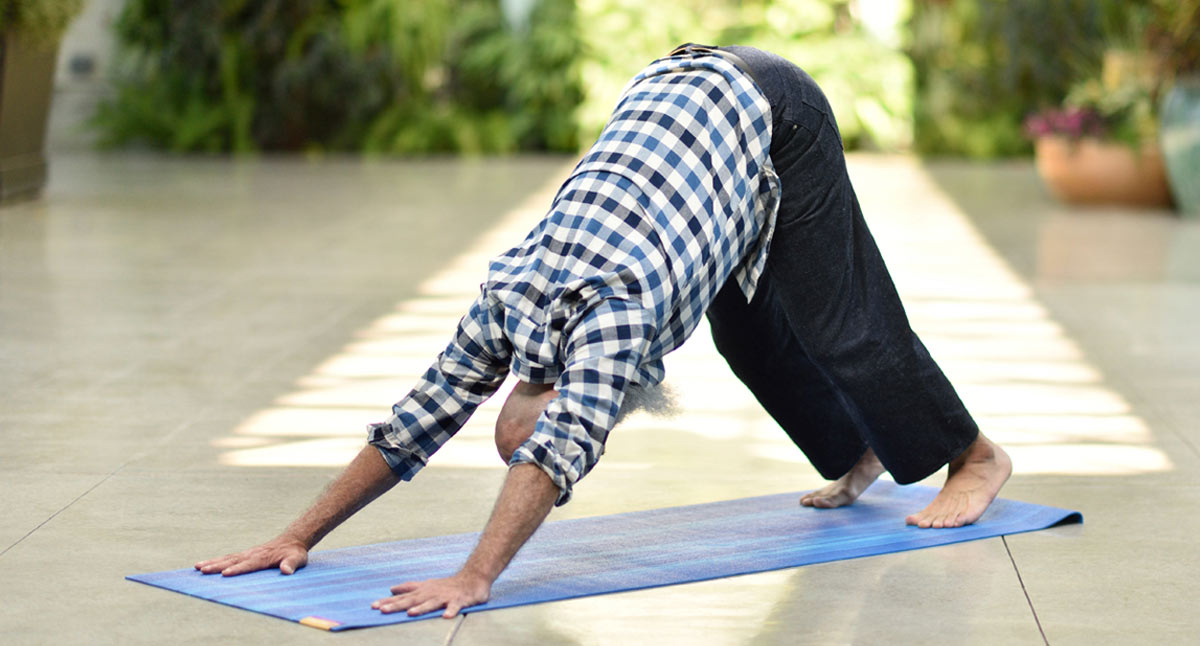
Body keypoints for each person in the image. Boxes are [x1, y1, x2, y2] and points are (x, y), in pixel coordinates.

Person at [195, 44, 1011, 619]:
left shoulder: (615, 323)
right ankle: (855, 450)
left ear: (537, 397)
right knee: (747, 337)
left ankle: (975, 456)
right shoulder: (507, 298)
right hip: (679, 106)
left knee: (842, 323)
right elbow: (418, 420)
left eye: (524, 450)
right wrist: (294, 535)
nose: (530, 461)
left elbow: (557, 450)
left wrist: (477, 575)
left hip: (772, 110)